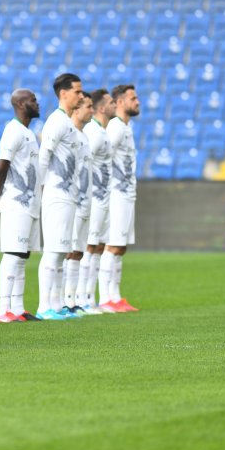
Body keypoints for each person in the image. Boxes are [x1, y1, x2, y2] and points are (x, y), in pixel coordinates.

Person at [0, 89, 42, 323]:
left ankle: (18, 307)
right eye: (33, 100)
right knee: (13, 254)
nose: (37, 103)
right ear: (21, 104)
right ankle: (3, 310)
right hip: (16, 202)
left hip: (31, 204)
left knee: (23, 255)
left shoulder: (28, 132)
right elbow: (1, 167)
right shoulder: (13, 130)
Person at [37, 73, 85, 321]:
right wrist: (40, 188)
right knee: (53, 252)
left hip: (68, 195)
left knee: (61, 251)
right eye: (77, 91)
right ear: (64, 93)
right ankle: (44, 306)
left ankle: (56, 305)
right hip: (56, 194)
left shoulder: (67, 123)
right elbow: (44, 155)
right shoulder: (56, 121)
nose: (81, 96)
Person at [103, 84, 141, 313]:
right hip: (116, 195)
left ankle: (115, 296)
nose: (137, 102)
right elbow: (104, 159)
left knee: (120, 247)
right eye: (133, 98)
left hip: (127, 193)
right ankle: (106, 298)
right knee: (112, 246)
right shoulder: (115, 128)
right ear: (119, 102)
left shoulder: (126, 127)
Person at [82, 89, 117, 313]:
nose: (115, 105)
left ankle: (90, 298)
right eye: (112, 102)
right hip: (94, 198)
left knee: (98, 247)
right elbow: (85, 164)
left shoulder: (103, 132)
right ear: (102, 108)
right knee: (89, 246)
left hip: (104, 197)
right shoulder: (93, 132)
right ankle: (81, 298)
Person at [63, 93, 93, 315]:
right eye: (88, 106)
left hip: (84, 200)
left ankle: (72, 301)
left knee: (78, 251)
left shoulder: (84, 136)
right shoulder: (70, 135)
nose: (91, 110)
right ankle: (64, 301)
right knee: (70, 251)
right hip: (72, 200)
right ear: (77, 109)